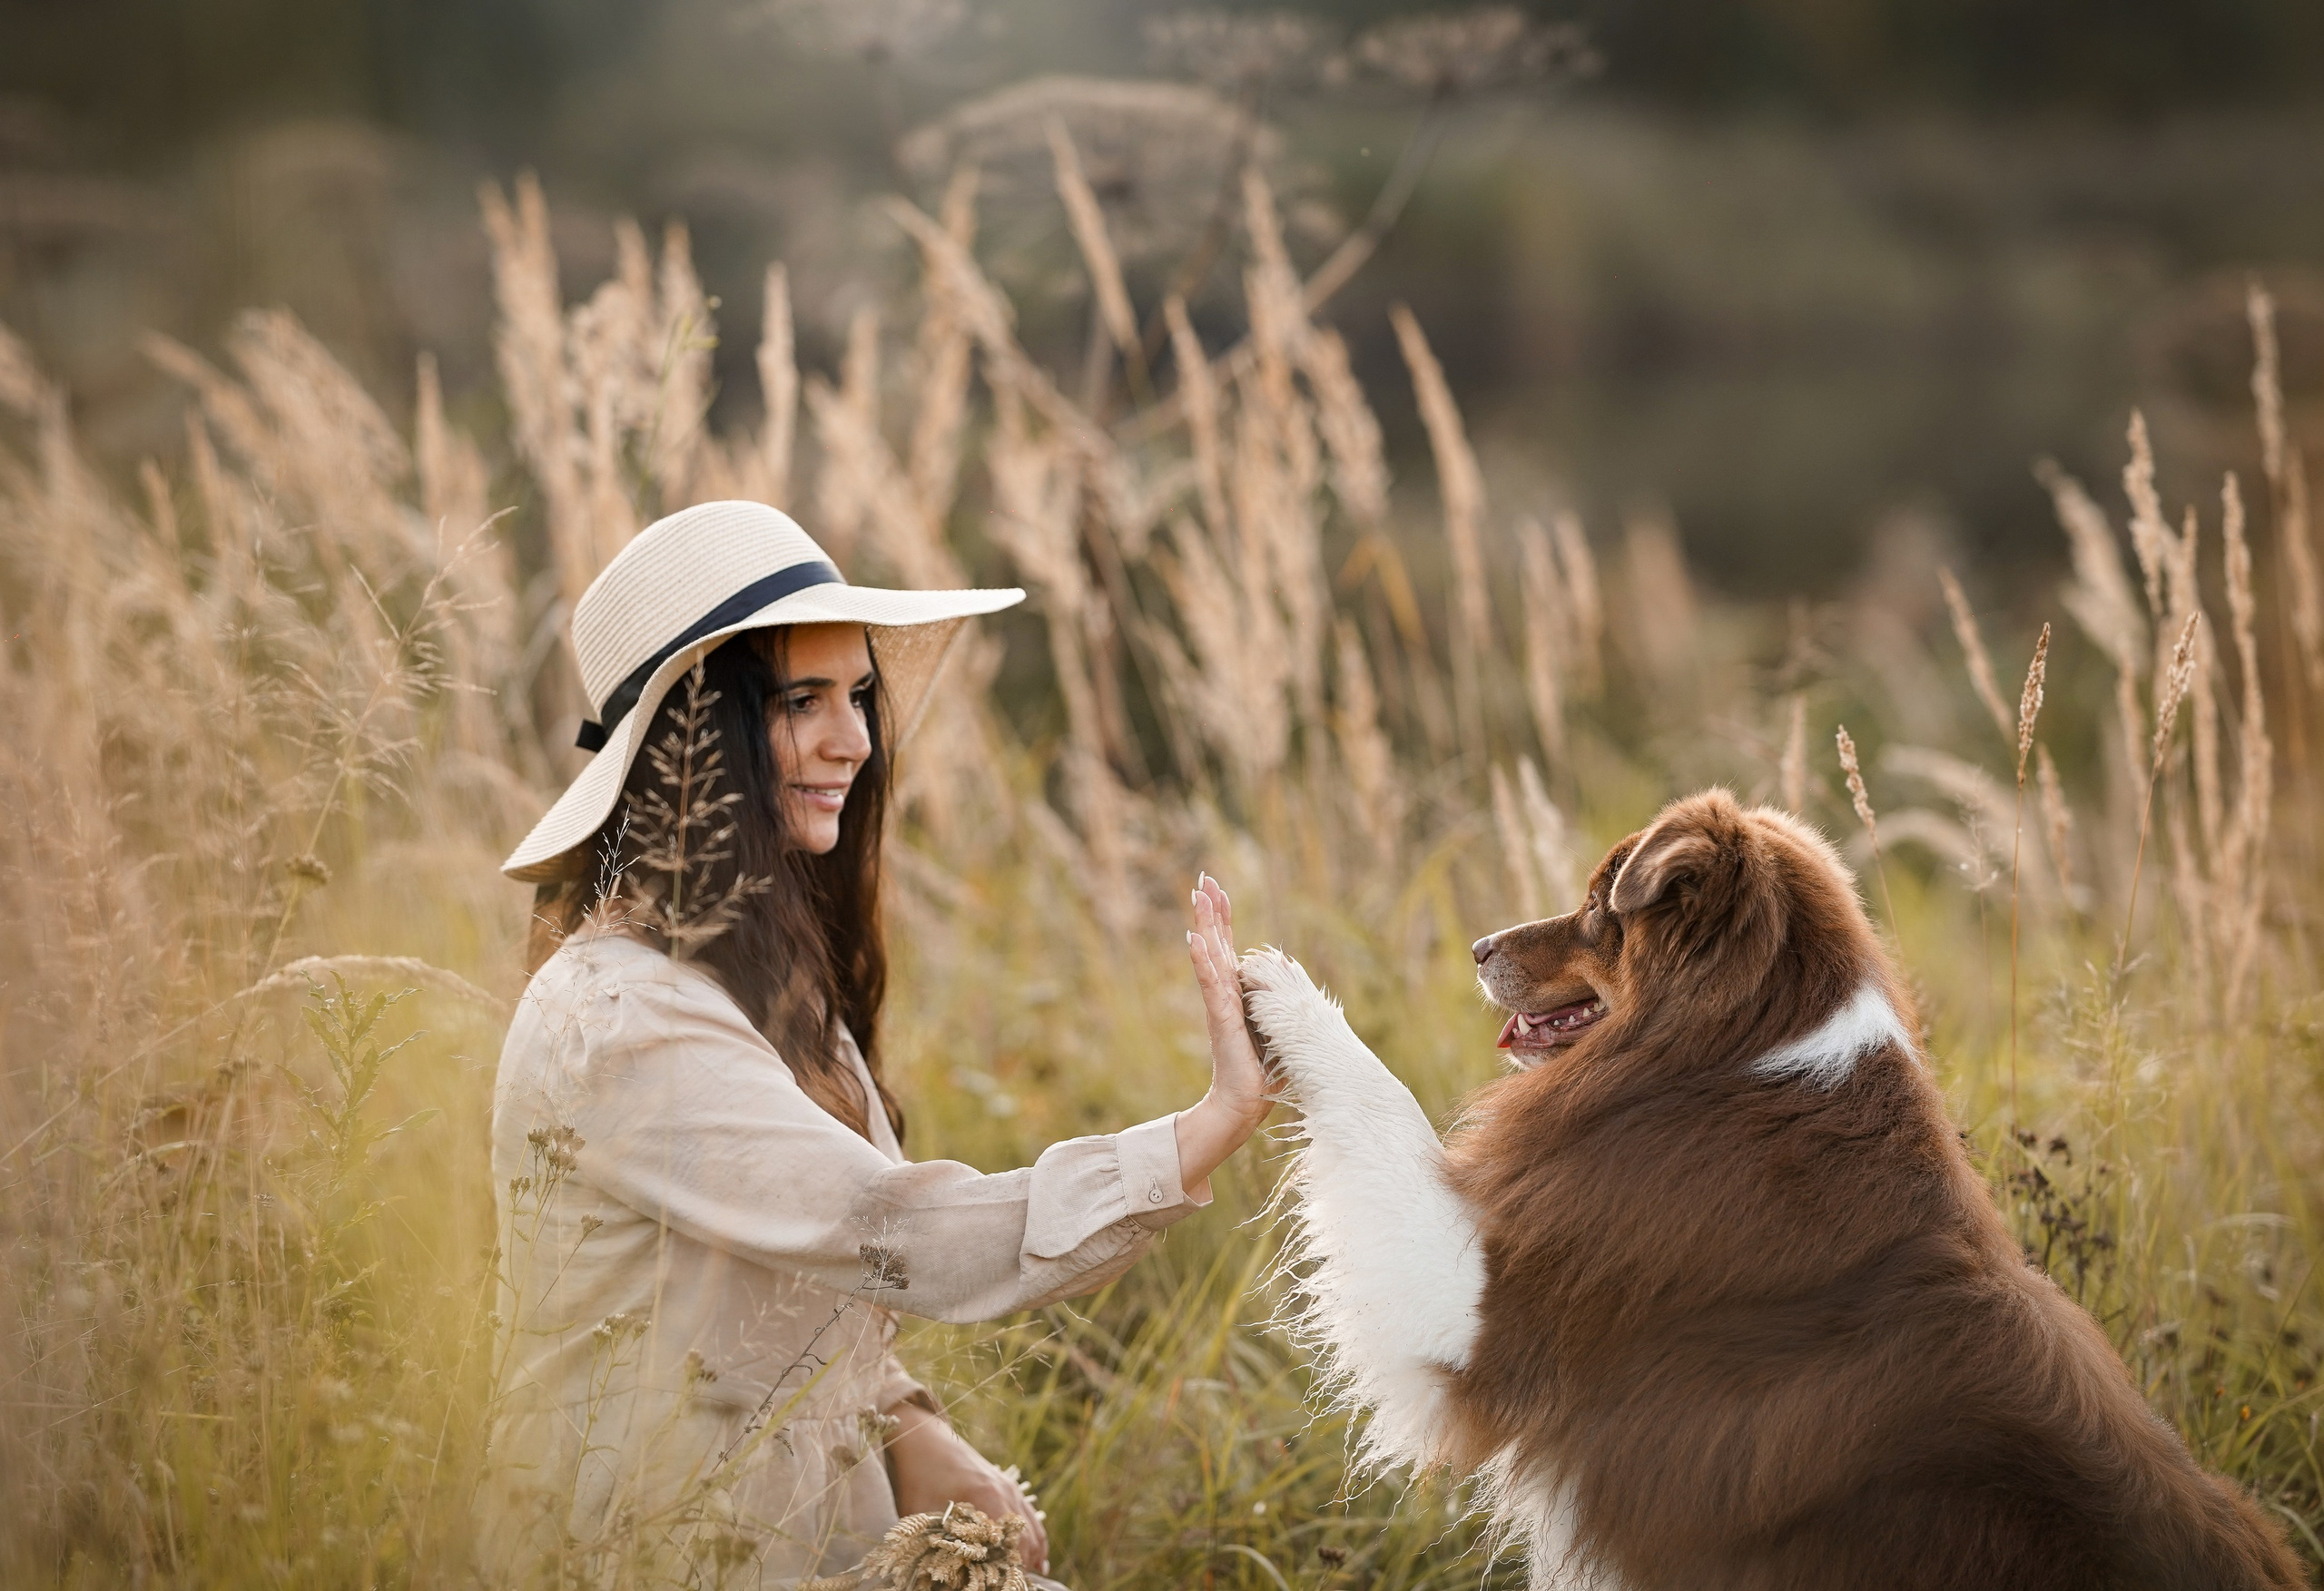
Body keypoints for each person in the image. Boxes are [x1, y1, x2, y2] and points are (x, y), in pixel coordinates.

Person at [480, 501, 1268, 1588]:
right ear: (693, 739)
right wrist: (1203, 1128)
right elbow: (886, 1229)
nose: (854, 738)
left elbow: (791, 1290)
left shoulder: (761, 984)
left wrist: (910, 1430)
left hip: (801, 1541)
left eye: (856, 694)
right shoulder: (621, 1020)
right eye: (803, 700)